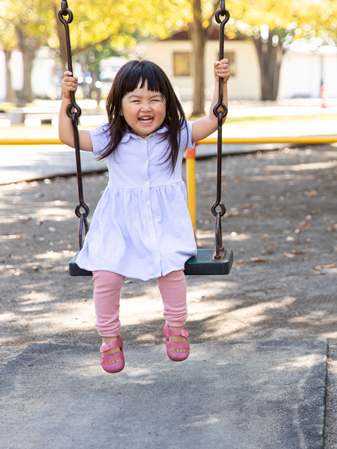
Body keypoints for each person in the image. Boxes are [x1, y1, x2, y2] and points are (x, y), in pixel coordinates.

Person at [59, 58, 230, 373]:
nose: (146, 107)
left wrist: (221, 83)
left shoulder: (177, 134)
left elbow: (214, 118)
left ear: (167, 102)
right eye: (135, 100)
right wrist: (66, 98)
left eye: (155, 99)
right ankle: (109, 337)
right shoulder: (110, 136)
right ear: (120, 105)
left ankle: (176, 328)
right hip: (118, 227)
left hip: (164, 226)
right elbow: (69, 137)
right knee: (105, 275)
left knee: (171, 269)